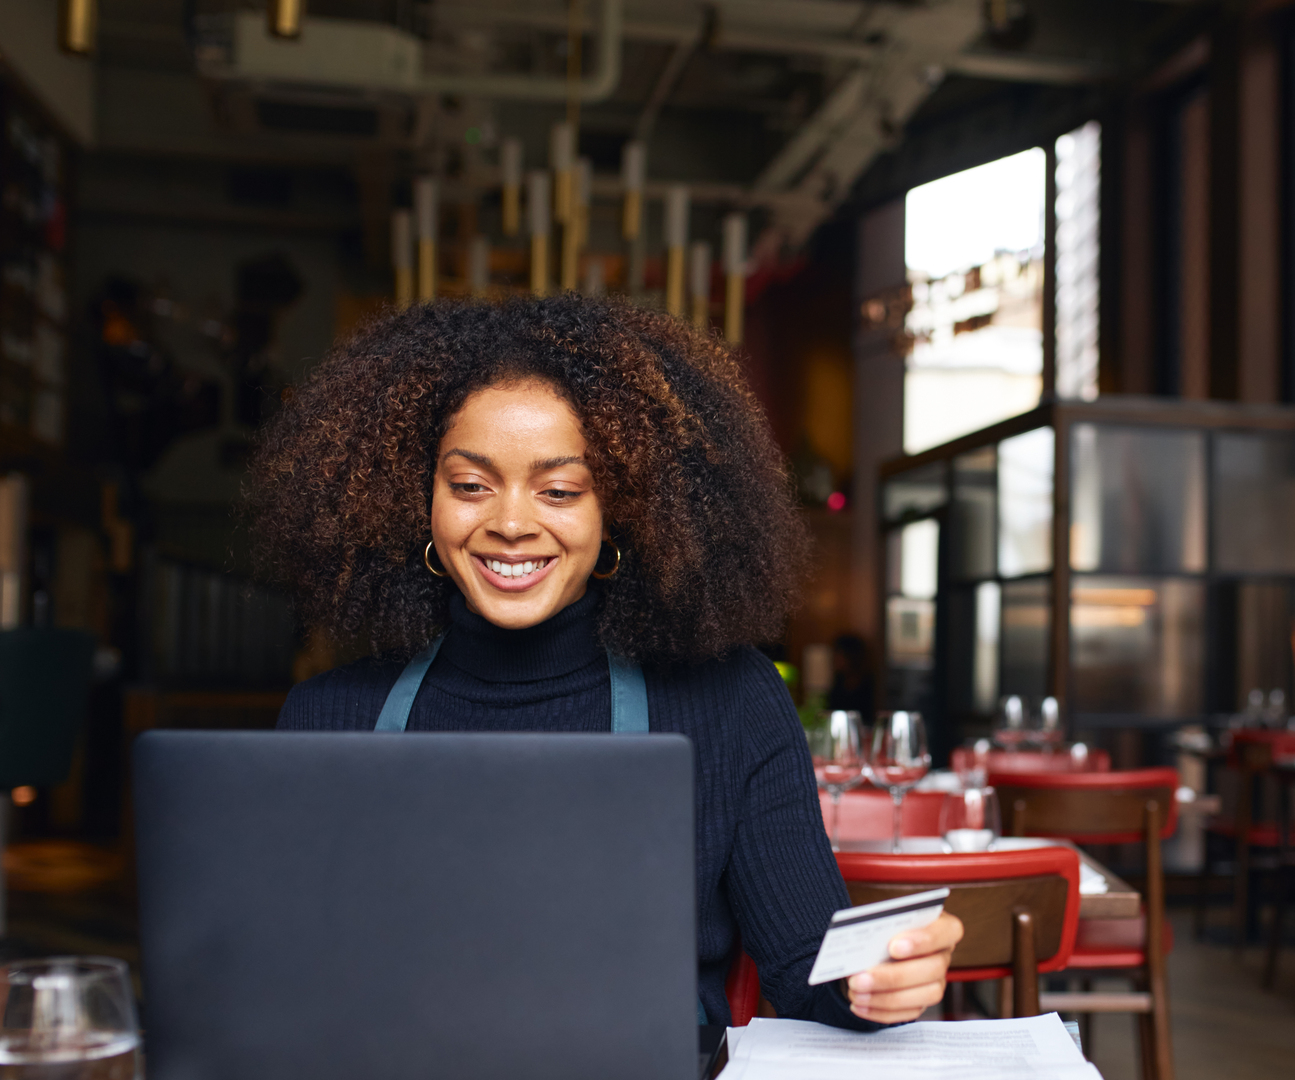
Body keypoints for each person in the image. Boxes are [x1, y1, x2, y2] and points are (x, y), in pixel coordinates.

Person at [250, 294, 960, 1029]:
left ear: (622, 507)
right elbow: (279, 982)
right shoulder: (330, 716)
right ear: (415, 497)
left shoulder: (730, 703)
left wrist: (879, 981)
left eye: (560, 490)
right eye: (469, 485)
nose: (512, 523)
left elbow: (810, 974)